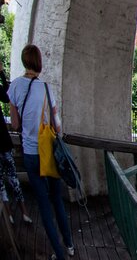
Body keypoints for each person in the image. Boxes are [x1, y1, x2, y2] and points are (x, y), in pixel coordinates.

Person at [8, 44, 75, 260]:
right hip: (49, 153)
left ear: (24, 60)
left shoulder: (15, 87)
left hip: (30, 153)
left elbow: (16, 124)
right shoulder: (46, 88)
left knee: (43, 204)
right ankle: (70, 245)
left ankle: (58, 253)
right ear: (38, 62)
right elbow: (56, 124)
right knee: (56, 198)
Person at [0, 64, 32, 225]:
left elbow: (7, 97)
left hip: (3, 141)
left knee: (2, 183)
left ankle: (9, 215)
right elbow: (7, 96)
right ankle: (23, 212)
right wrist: (2, 75)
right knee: (12, 177)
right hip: (3, 141)